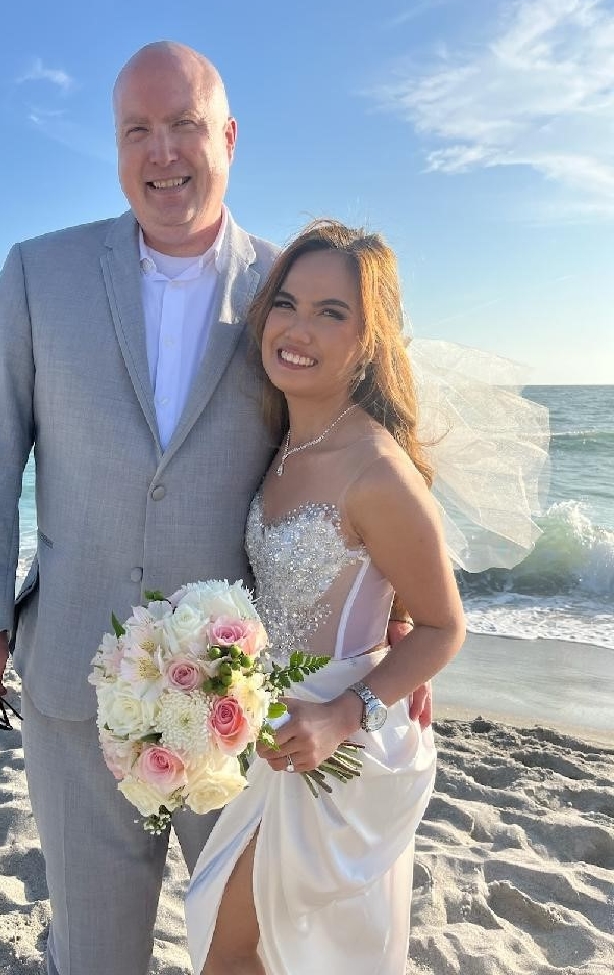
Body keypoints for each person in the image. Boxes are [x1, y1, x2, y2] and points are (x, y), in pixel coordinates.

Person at [0, 43, 429, 974]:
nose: (161, 152)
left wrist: (396, 618)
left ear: (229, 138)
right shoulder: (39, 271)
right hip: (76, 672)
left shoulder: (291, 291)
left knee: (249, 949)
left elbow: (363, 443)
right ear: (117, 144)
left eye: (184, 125)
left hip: (248, 699)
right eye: (137, 130)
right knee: (93, 949)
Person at [186, 221, 467, 975]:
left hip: (334, 746)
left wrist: (346, 713)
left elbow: (445, 626)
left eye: (330, 312)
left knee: (241, 951)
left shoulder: (377, 471)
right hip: (274, 726)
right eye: (286, 304)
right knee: (251, 949)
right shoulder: (286, 437)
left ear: (369, 340)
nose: (298, 329)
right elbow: (386, 592)